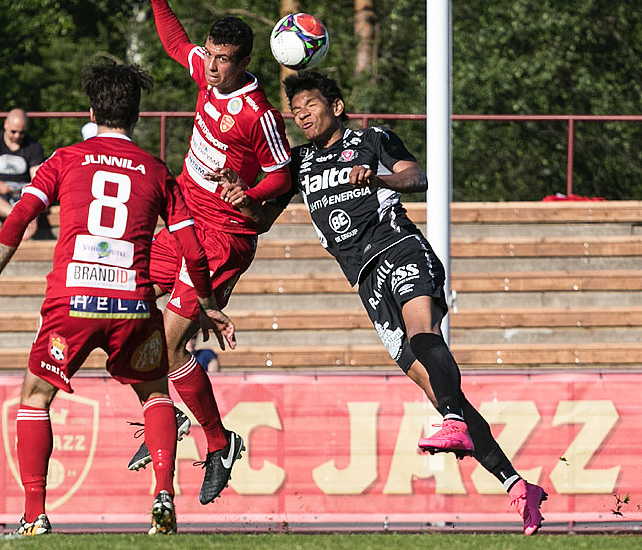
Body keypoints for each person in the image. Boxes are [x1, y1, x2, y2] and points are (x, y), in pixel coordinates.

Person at [212, 70, 548, 536]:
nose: (301, 114)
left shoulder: (371, 139)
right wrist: (239, 197)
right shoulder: (299, 162)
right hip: (365, 281)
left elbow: (418, 176)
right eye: (295, 110)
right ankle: (516, 485)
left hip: (399, 249)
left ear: (337, 105)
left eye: (310, 104)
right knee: (435, 388)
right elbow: (262, 219)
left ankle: (453, 422)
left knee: (423, 333)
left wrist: (379, 175)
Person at [0, 61, 236, 536]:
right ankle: (163, 498)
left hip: (72, 303)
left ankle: (34, 516)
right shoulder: (157, 171)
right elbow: (191, 248)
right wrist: (209, 302)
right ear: (136, 116)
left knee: (35, 397)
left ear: (92, 111)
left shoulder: (64, 158)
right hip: (132, 303)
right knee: (154, 392)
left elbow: (18, 219)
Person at [127, 0, 293, 506]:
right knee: (124, 305)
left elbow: (282, 174)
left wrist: (250, 195)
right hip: (181, 217)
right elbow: (177, 46)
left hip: (222, 234)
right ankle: (179, 421)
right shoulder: (204, 72)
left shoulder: (256, 112)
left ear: (244, 62)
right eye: (213, 57)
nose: (214, 67)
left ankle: (213, 441)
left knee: (170, 344)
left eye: (224, 60)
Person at [0, 108, 53, 240]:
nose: (17, 136)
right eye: (13, 131)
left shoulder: (34, 146)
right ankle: (19, 219)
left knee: (39, 195)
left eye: (21, 132)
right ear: (6, 124)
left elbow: (37, 179)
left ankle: (21, 218)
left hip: (23, 192)